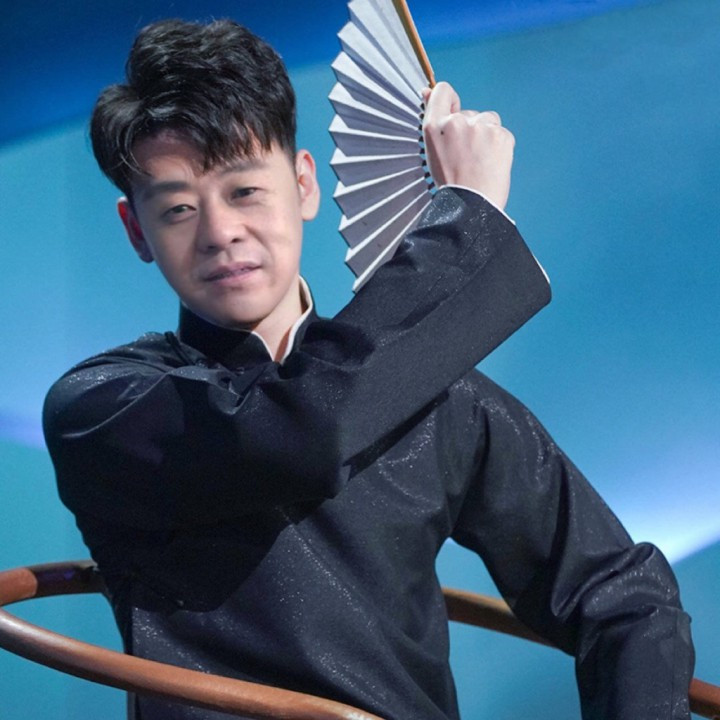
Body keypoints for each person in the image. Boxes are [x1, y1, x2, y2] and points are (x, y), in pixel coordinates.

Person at [43, 17, 694, 720]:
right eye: (177, 208)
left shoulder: (440, 404)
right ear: (136, 230)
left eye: (245, 191)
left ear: (304, 185)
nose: (221, 232)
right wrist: (467, 219)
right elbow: (305, 430)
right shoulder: (101, 408)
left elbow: (625, 597)